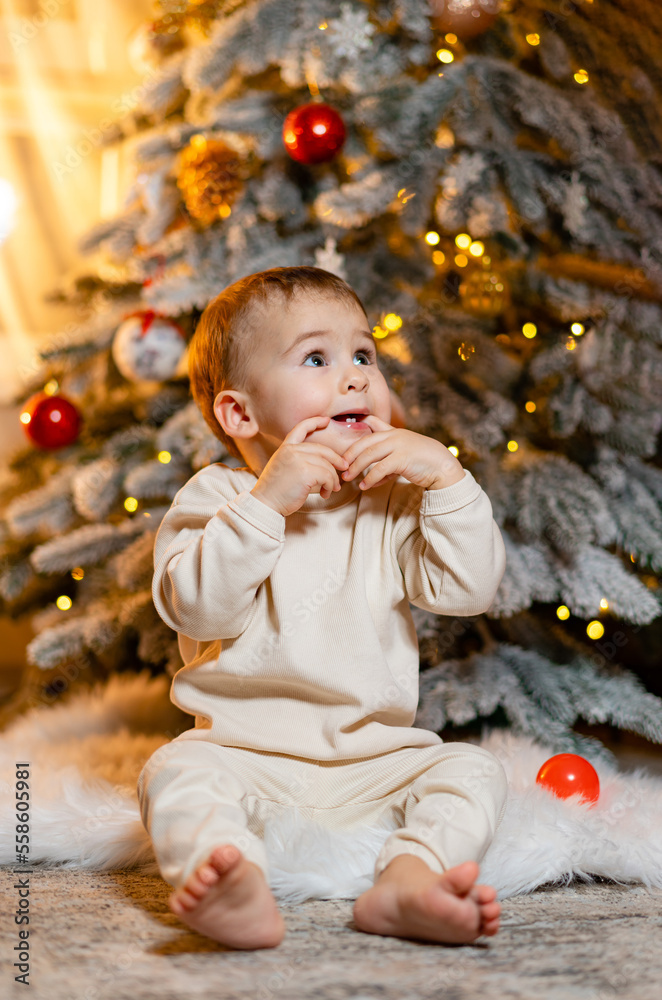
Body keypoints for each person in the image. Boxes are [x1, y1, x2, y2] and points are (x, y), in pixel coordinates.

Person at [137, 265, 508, 951]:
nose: (356, 376)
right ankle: (230, 877)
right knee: (175, 773)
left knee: (474, 770)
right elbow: (199, 611)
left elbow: (469, 590)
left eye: (364, 354)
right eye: (318, 357)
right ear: (240, 413)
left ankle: (408, 880)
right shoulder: (217, 500)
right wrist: (266, 504)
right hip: (245, 752)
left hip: (374, 756)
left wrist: (448, 480)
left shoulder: (393, 499)